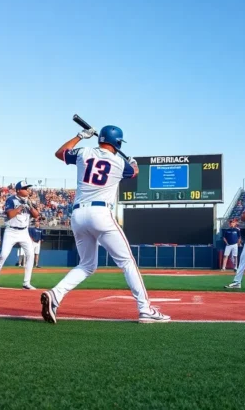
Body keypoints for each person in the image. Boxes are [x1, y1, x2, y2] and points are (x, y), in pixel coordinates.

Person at [41, 124, 169, 323]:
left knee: (86, 265)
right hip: (101, 213)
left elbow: (60, 153)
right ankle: (145, 309)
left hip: (78, 215)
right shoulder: (120, 162)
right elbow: (135, 172)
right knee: (127, 262)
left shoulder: (84, 152)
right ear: (117, 142)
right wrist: (133, 161)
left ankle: (55, 295)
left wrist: (79, 136)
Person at [0, 181, 40, 290]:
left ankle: (26, 282)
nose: (27, 190)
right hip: (11, 231)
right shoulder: (11, 199)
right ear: (18, 190)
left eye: (28, 188)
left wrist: (30, 206)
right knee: (3, 255)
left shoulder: (29, 201)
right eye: (25, 188)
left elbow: (36, 215)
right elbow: (10, 215)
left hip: (24, 232)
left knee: (30, 254)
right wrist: (20, 207)